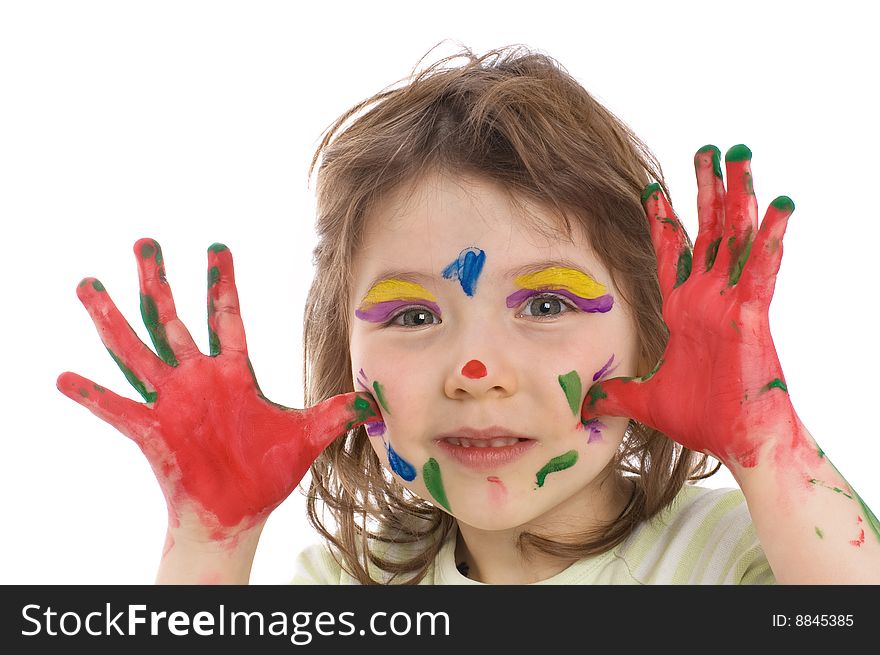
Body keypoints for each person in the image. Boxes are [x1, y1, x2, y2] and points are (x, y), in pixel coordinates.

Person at [57, 44, 880, 585]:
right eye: (413, 316)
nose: (474, 372)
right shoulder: (345, 587)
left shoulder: (733, 555)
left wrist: (771, 450)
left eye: (549, 303)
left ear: (654, 336)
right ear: (345, 354)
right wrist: (211, 540)